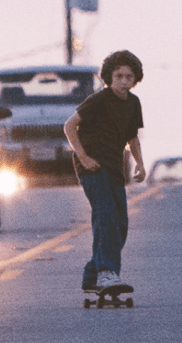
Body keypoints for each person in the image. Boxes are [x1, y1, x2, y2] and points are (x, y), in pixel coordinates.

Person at [64, 50, 146, 291]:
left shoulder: (133, 103)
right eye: (119, 76)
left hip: (114, 168)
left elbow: (132, 137)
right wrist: (83, 157)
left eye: (129, 77)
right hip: (93, 167)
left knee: (120, 224)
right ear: (108, 77)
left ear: (135, 79)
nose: (123, 81)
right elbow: (69, 126)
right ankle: (106, 273)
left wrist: (140, 163)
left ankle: (92, 275)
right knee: (105, 216)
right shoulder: (99, 100)